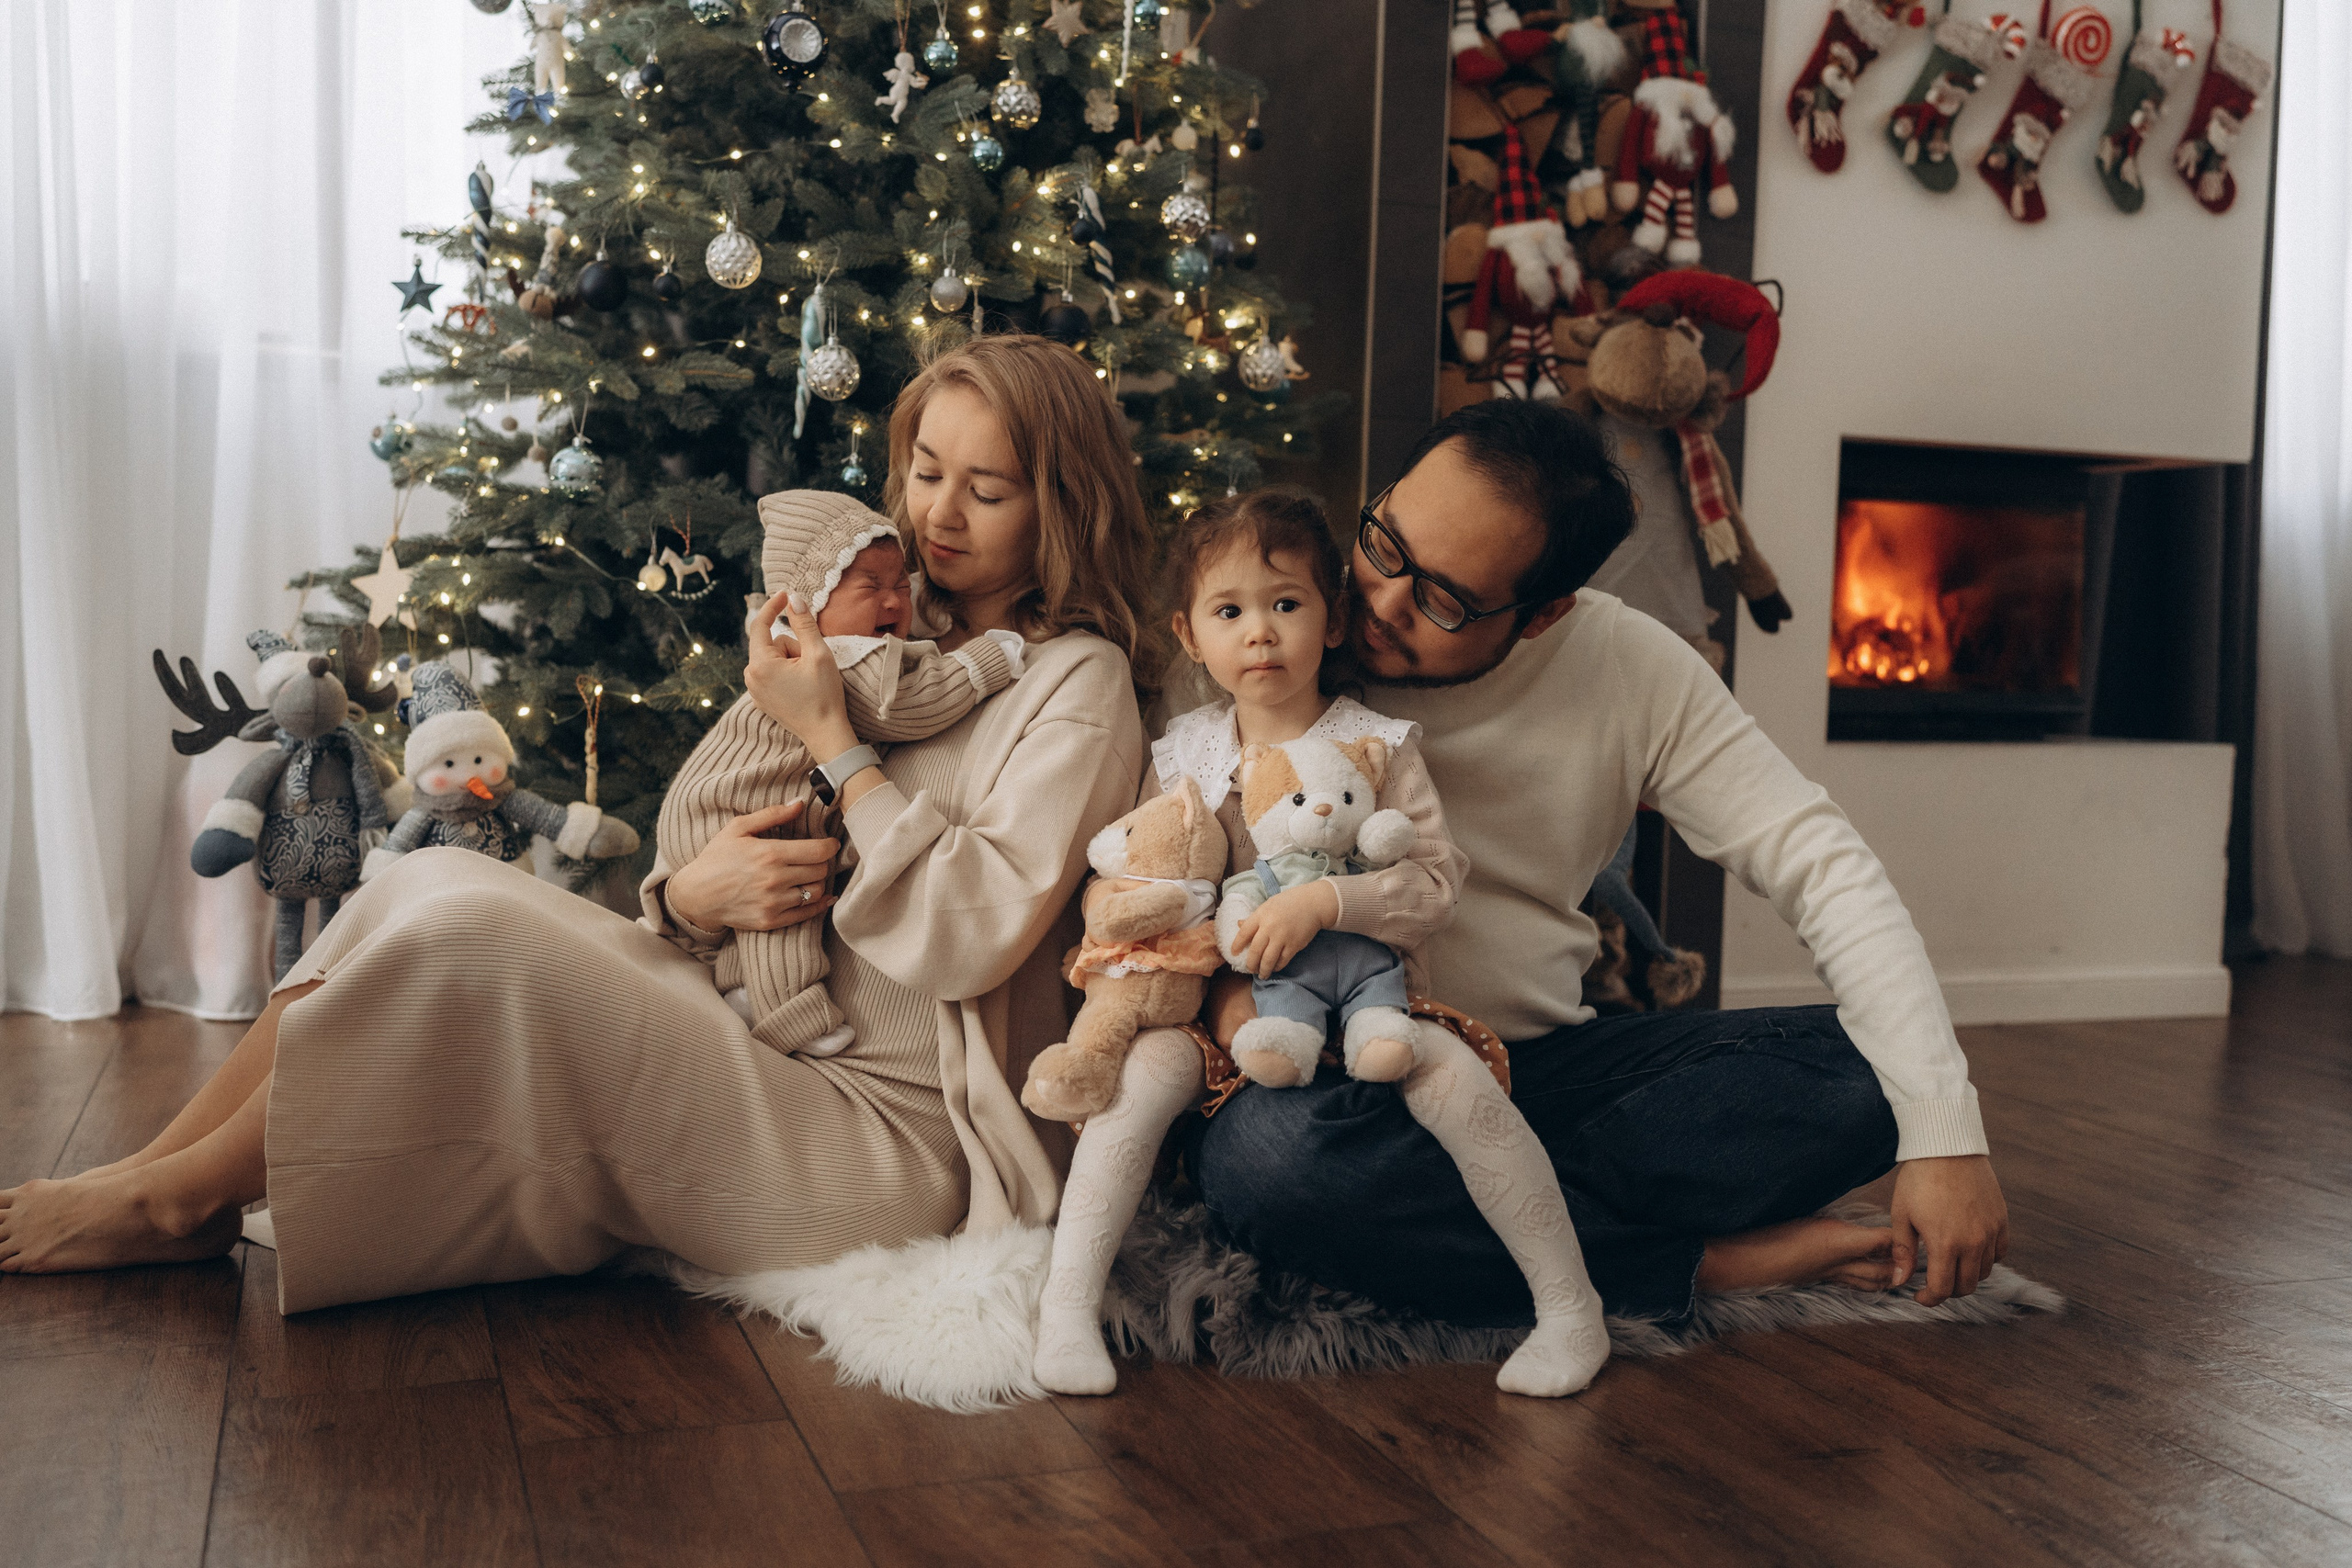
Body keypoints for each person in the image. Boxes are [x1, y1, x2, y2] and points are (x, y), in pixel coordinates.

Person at [0, 335, 1153, 1307]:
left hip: (889, 1141)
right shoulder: (885, 622)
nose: (936, 514)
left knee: (469, 934)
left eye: (986, 491)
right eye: (926, 471)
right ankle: (161, 1177)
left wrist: (836, 746)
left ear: (1061, 504)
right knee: (416, 884)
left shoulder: (1075, 683)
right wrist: (690, 897)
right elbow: (725, 819)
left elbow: (970, 935)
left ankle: (172, 1198)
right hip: (755, 1032)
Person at [1186, 399, 2011, 1329]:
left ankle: (1487, 1218)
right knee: (1273, 1165)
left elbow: (1823, 866)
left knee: (1872, 1073)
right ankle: (1693, 1265)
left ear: (1543, 616)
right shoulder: (1273, 619)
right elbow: (1159, 860)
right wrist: (1222, 997)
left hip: (1539, 1071)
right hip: (1335, 1071)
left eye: (1443, 599)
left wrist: (1946, 1138)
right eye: (1383, 544)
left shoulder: (1629, 664)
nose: (1376, 605)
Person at [1031, 491, 1608, 1399]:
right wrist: (1187, 957)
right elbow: (1155, 868)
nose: (1259, 634)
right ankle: (1066, 1308)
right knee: (1140, 1081)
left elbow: (1432, 884)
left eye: (1284, 604)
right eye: (1230, 612)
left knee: (1452, 1079)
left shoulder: (1372, 746)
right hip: (1225, 1012)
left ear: (1331, 616)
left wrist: (1327, 905)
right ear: (1189, 636)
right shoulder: (1183, 755)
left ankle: (1570, 1307)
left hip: (1369, 997)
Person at [652, 491, 1029, 1059]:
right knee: (788, 909)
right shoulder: (845, 659)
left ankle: (743, 988)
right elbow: (915, 702)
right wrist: (989, 658)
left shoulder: (802, 658)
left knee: (780, 897)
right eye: (869, 588)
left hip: (704, 806)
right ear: (806, 607)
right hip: (735, 812)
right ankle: (790, 1012)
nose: (895, 601)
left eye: (902, 585)